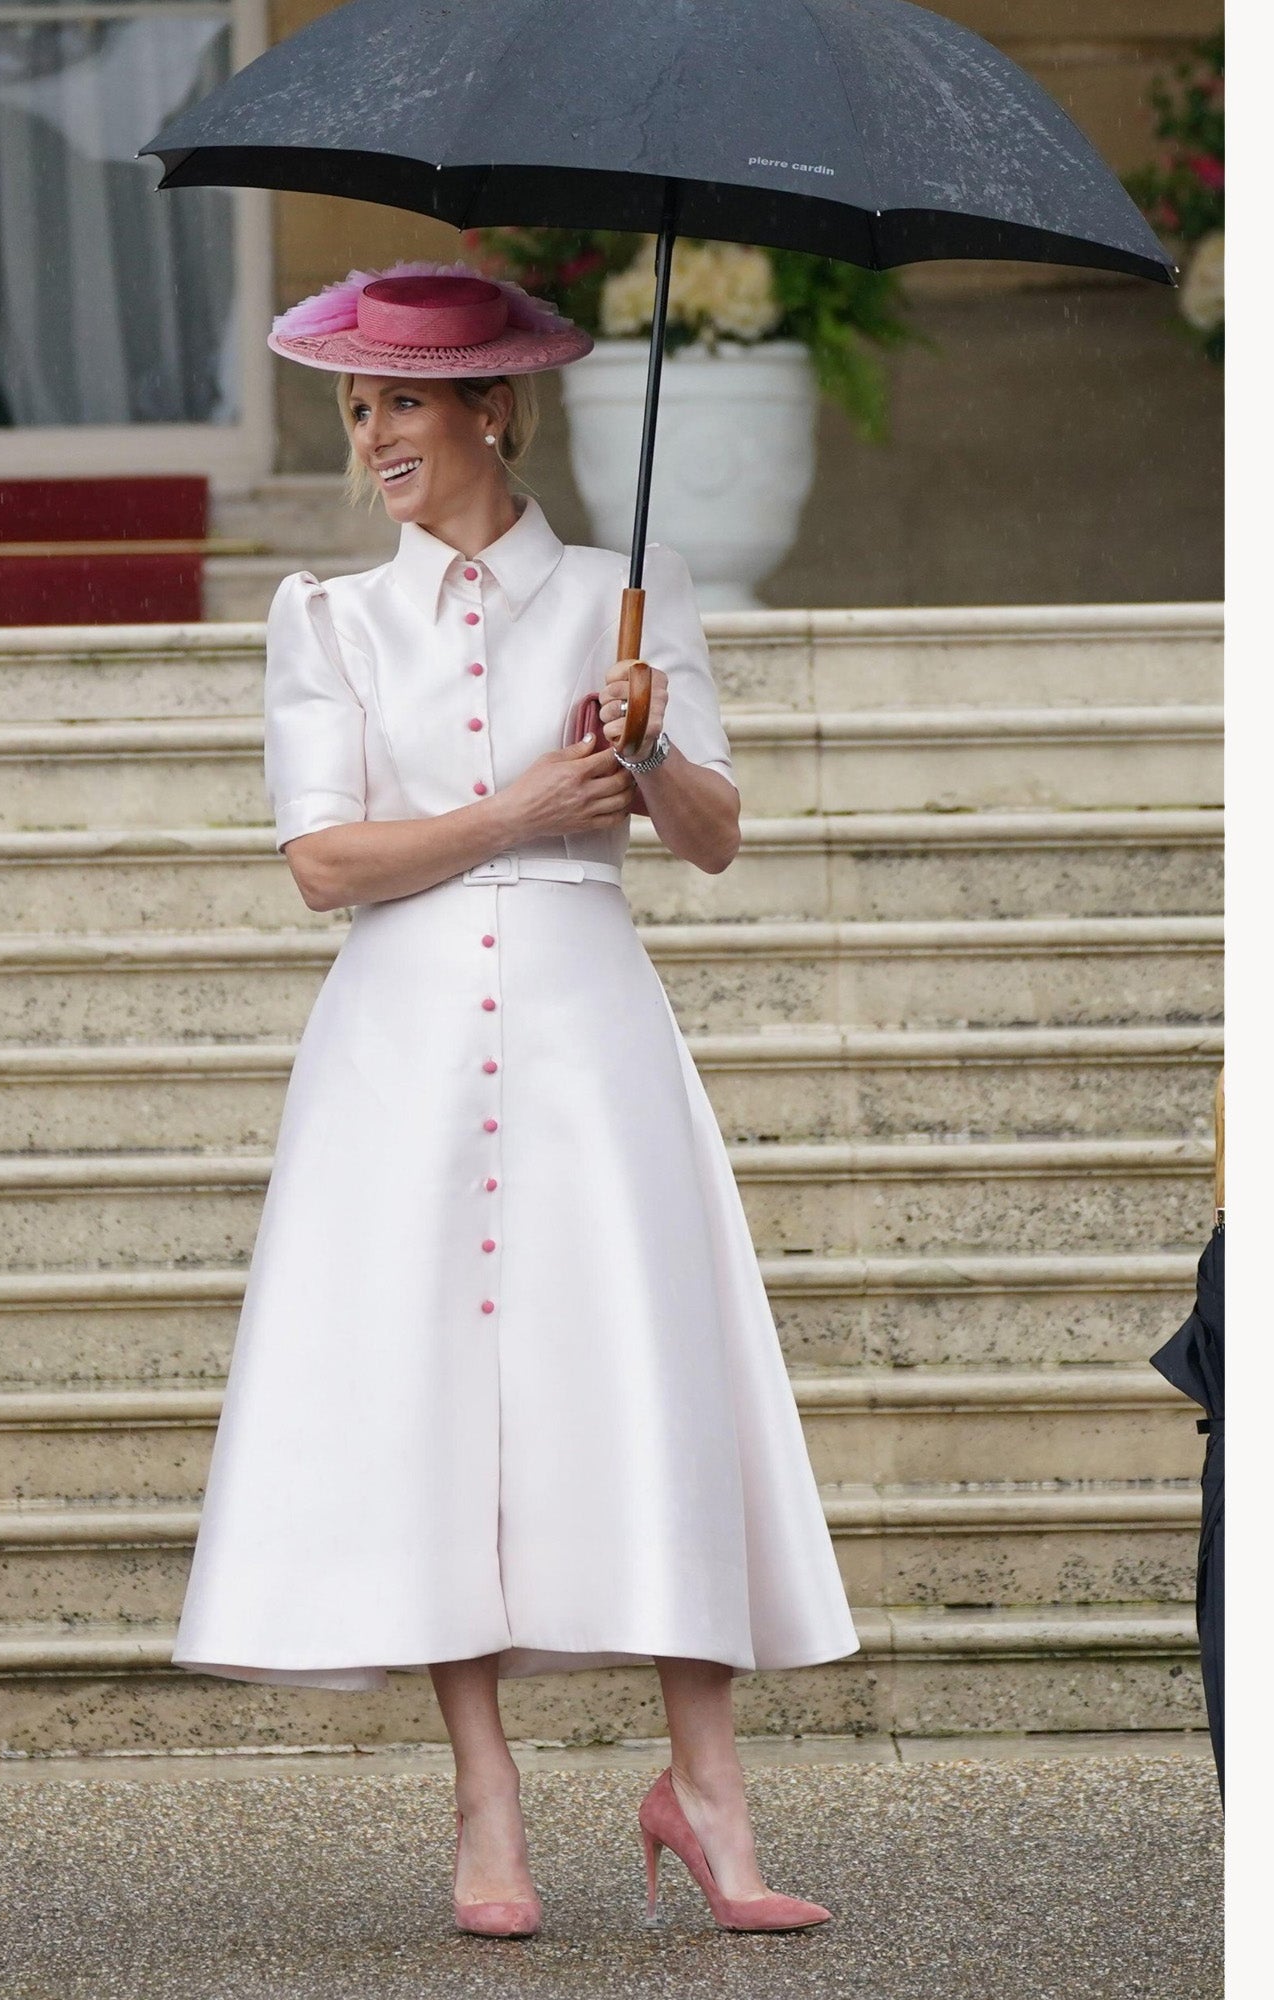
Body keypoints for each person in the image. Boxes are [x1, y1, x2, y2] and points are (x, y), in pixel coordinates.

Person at [172, 263, 859, 1937]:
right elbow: (322, 862)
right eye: (358, 408)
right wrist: (518, 808)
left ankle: (707, 1791)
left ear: (494, 406)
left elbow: (713, 839)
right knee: (434, 1404)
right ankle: (488, 1803)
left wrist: (646, 749)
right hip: (399, 1046)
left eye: (403, 401)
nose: (374, 436)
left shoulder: (631, 594)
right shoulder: (327, 618)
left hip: (588, 1029)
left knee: (648, 1373)